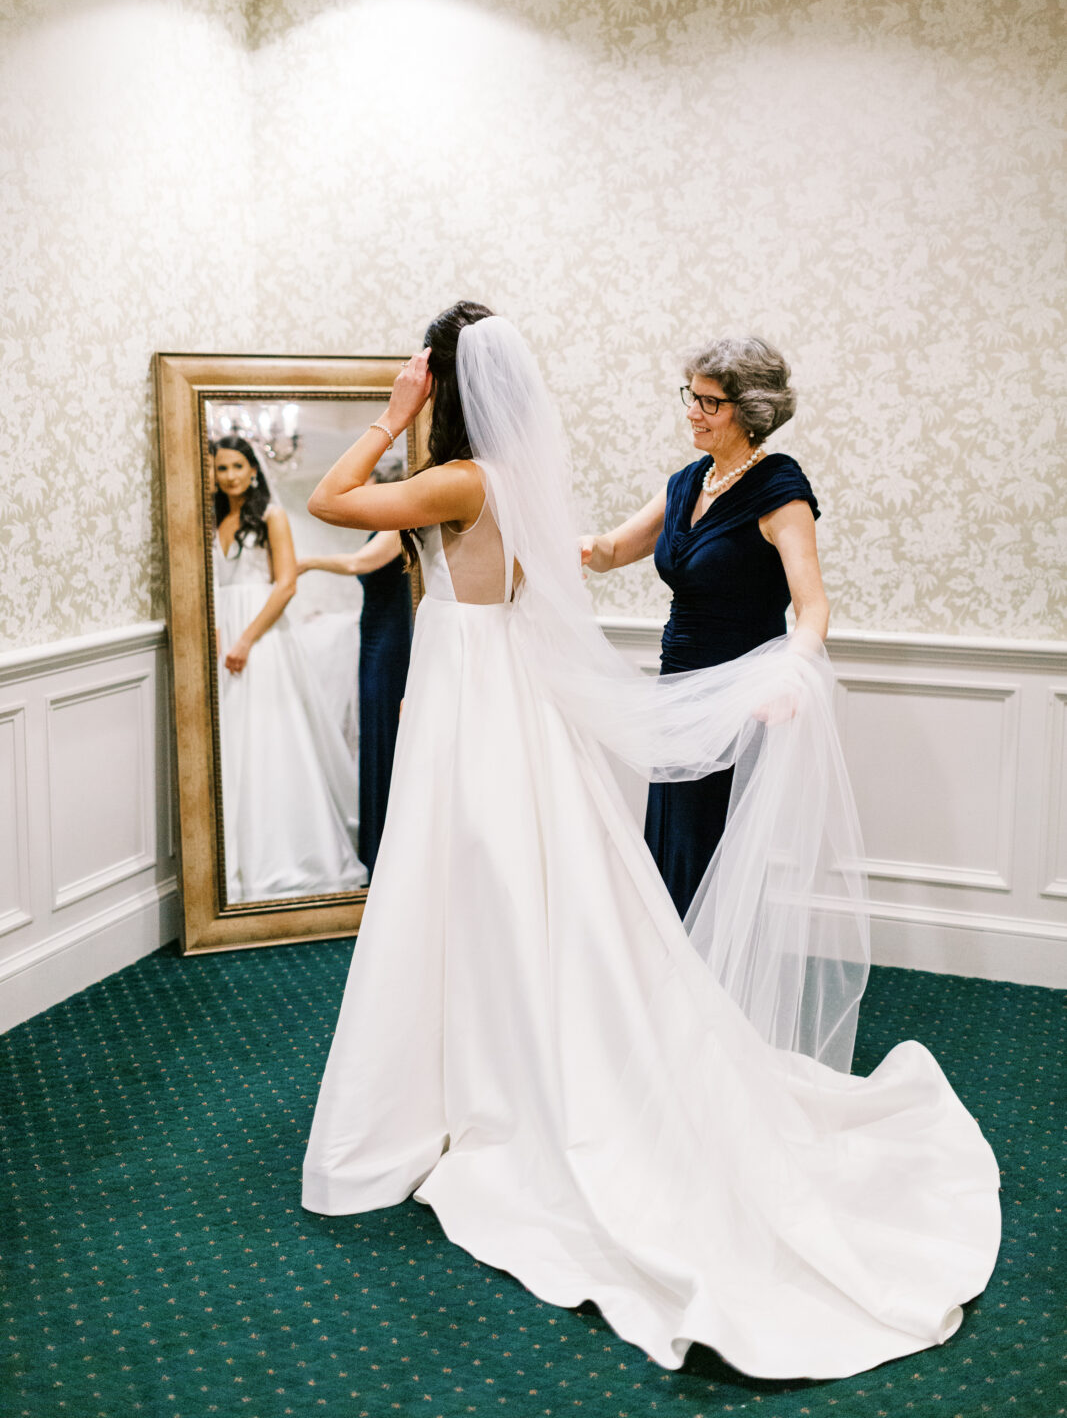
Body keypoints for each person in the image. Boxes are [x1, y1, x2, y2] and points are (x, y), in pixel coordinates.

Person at [299, 306, 1000, 1379]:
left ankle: (495, 1069)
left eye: (704, 399)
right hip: (513, 694)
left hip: (523, 702)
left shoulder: (473, 480)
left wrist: (389, 418)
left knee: (494, 876)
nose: (690, 411)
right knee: (529, 882)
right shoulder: (566, 486)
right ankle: (488, 1052)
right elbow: (588, 554)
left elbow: (328, 499)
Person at [580, 337, 824, 919]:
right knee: (672, 829)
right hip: (679, 689)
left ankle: (705, 989)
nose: (693, 410)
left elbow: (813, 606)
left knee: (707, 839)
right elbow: (615, 548)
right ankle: (672, 974)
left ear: (751, 411)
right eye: (692, 395)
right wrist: (583, 548)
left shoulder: (780, 490)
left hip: (740, 697)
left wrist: (789, 676)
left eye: (710, 402)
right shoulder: (690, 481)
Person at [210, 436, 367, 901]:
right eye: (222, 468)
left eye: (238, 466)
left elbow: (285, 586)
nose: (231, 475)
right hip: (219, 632)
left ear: (253, 469)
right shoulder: (212, 518)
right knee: (229, 739)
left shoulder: (272, 516)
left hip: (262, 635)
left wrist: (246, 639)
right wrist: (216, 635)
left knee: (269, 736)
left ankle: (287, 853)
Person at [297, 509, 413, 877]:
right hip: (373, 631)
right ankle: (376, 842)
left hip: (391, 637)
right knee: (373, 732)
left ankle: (390, 848)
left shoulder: (399, 522)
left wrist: (307, 562)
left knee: (385, 733)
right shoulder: (387, 525)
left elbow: (359, 562)